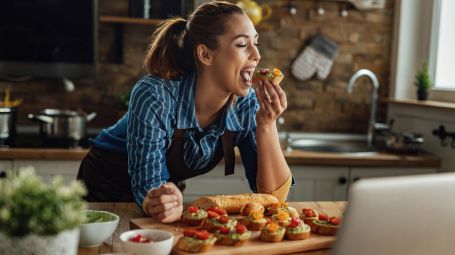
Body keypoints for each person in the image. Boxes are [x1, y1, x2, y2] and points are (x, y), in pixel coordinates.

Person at [77, 1, 293, 223]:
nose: (256, 55)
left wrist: (267, 125)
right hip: (104, 190)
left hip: (160, 193)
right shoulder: (156, 95)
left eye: (256, 44)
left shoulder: (246, 105)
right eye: (241, 45)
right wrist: (163, 201)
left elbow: (273, 198)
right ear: (206, 55)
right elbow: (148, 183)